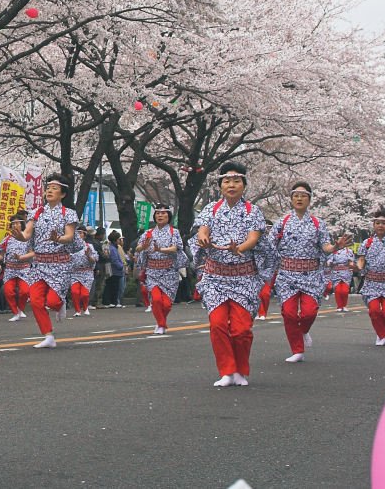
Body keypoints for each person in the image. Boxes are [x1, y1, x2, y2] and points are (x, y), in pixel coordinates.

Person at [190, 162, 273, 387]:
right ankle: (226, 371)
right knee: (217, 325)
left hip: (243, 277)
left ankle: (240, 370)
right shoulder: (211, 209)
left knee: (241, 329)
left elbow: (254, 237)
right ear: (220, 185)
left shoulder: (252, 211)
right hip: (216, 277)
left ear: (244, 185)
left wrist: (240, 249)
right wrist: (203, 238)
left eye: (236, 181)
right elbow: (202, 229)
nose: (231, 185)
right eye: (227, 181)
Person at [268, 182, 350, 361]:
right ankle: (297, 350)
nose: (299, 198)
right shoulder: (281, 223)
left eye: (303, 195)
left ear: (309, 199)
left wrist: (336, 246)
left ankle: (303, 330)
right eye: (296, 195)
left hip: (311, 275)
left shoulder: (317, 223)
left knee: (309, 312)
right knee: (289, 313)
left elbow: (326, 246)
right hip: (287, 275)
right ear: (291, 199)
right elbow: (269, 246)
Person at [11, 173, 79, 349]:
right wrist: (19, 236)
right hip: (39, 264)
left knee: (53, 302)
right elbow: (27, 235)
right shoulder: (36, 213)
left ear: (62, 194)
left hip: (60, 264)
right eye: (48, 188)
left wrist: (59, 239)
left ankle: (61, 303)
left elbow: (70, 236)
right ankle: (48, 335)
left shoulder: (68, 213)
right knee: (35, 301)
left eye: (54, 188)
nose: (49, 191)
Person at [355, 210, 385, 347]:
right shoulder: (367, 243)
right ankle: (382, 334)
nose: (380, 226)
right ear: (374, 225)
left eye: (384, 223)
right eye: (377, 223)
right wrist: (358, 267)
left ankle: (381, 332)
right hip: (372, 282)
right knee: (374, 310)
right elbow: (361, 260)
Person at [135, 205, 186, 334]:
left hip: (169, 271)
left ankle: (161, 322)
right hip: (152, 271)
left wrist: (160, 250)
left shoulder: (174, 232)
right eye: (158, 213)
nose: (160, 215)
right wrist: (143, 247)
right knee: (156, 299)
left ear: (168, 216)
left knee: (167, 304)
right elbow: (137, 248)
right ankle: (161, 324)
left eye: (163, 213)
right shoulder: (148, 233)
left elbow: (175, 248)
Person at [0, 210, 33, 321]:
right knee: (8, 291)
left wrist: (22, 257)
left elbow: (33, 252)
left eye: (17, 223)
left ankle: (20, 309)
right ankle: (15, 312)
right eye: (13, 224)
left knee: (25, 292)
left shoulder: (27, 238)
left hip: (23, 269)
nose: (14, 225)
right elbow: (1, 254)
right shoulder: (7, 239)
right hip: (10, 269)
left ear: (22, 224)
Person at [68, 227, 97, 317]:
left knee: (84, 294)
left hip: (86, 273)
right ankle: (77, 310)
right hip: (75, 273)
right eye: (77, 233)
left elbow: (94, 260)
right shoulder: (70, 247)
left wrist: (88, 255)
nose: (78, 235)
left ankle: (85, 308)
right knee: (74, 292)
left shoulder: (89, 246)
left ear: (84, 235)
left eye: (81, 233)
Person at [327, 232, 355, 313]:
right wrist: (329, 263)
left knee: (345, 290)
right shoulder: (334, 251)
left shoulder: (349, 251)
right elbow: (330, 259)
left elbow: (351, 260)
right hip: (336, 272)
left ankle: (344, 305)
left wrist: (351, 264)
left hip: (346, 273)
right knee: (338, 290)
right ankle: (339, 306)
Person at [103, 231, 126, 308]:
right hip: (115, 271)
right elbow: (114, 260)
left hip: (115, 270)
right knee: (113, 287)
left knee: (112, 286)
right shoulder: (112, 248)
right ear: (115, 240)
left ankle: (111, 302)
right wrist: (121, 266)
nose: (120, 241)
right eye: (119, 239)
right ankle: (112, 302)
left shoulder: (113, 247)